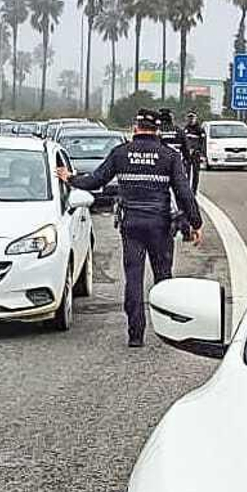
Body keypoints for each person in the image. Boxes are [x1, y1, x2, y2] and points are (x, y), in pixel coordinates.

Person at [57, 108, 200, 347]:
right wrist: (195, 223)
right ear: (157, 130)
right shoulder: (169, 156)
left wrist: (69, 177)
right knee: (163, 279)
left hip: (131, 224)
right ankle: (170, 332)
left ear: (135, 128)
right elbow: (184, 193)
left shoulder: (121, 153)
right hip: (160, 225)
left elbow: (95, 181)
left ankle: (135, 335)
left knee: (133, 278)